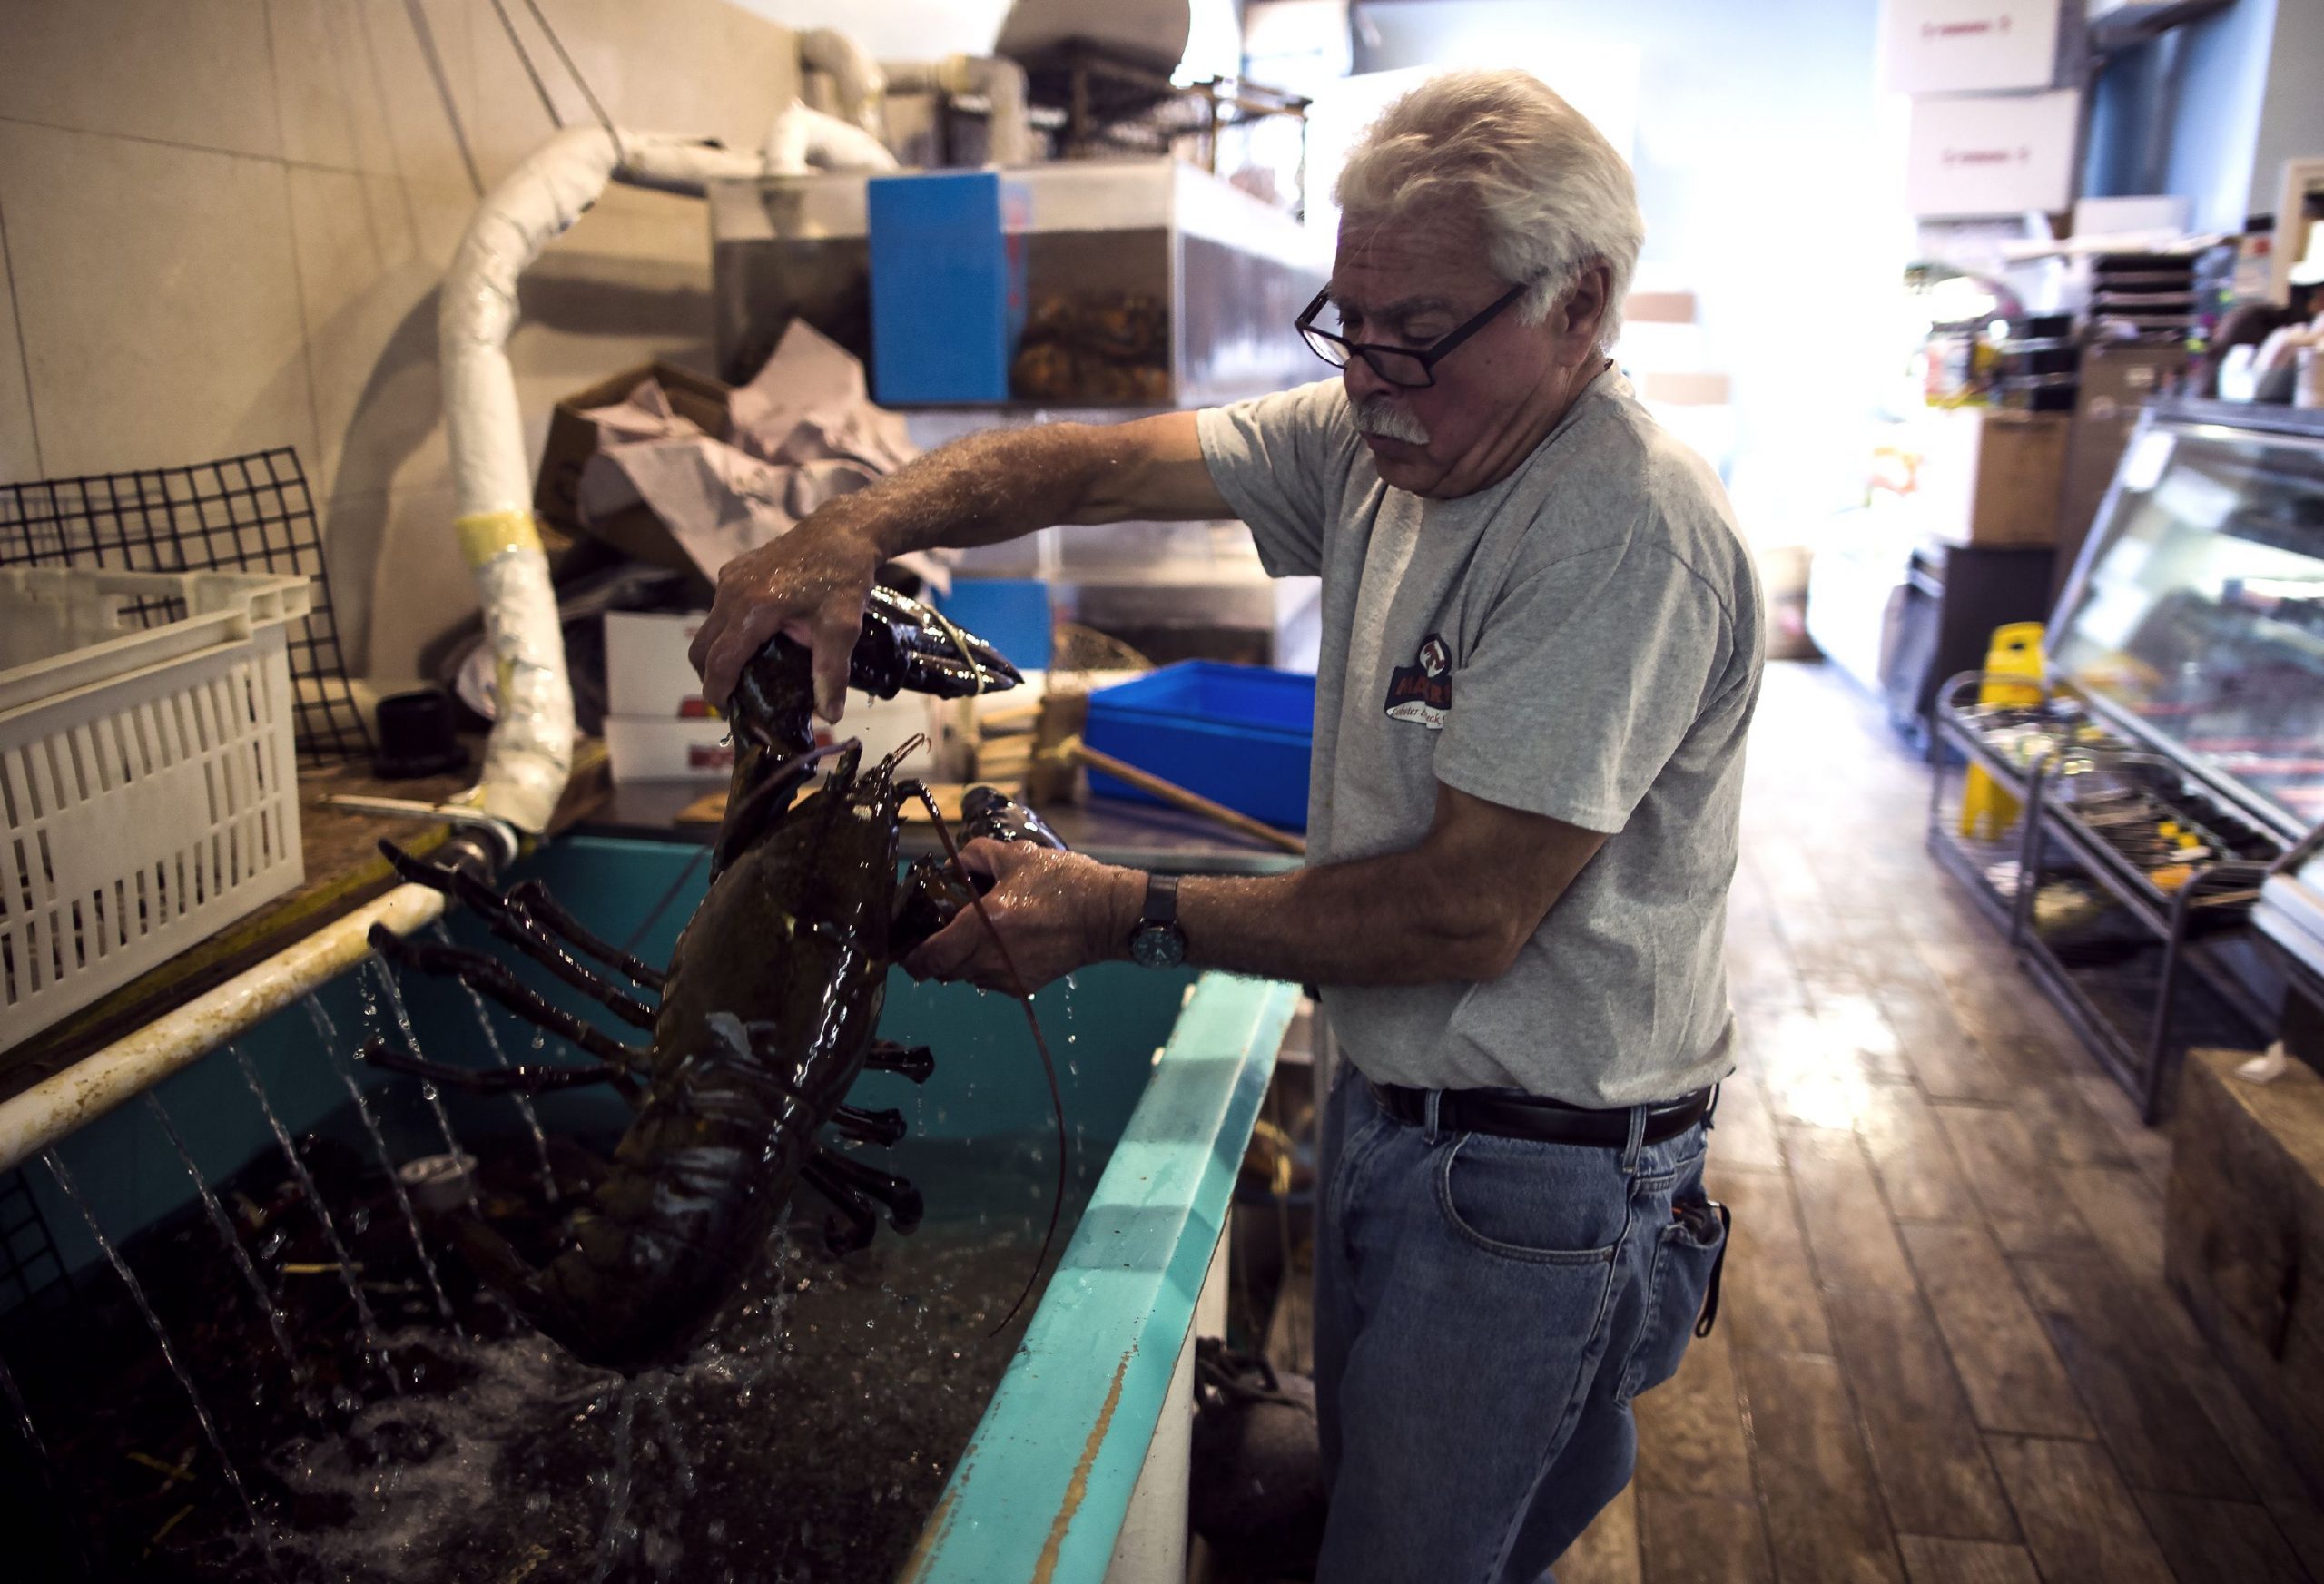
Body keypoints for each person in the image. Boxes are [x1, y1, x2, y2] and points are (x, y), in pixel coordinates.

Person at [690, 68, 1761, 1584]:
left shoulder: (1620, 525)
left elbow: (1466, 911)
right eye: (1350, 328)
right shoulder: (1389, 438)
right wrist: (860, 522)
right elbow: (1098, 456)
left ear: (1581, 302)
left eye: (1420, 339)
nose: (1374, 381)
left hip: (1539, 1182)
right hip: (1412, 1119)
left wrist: (1113, 906)